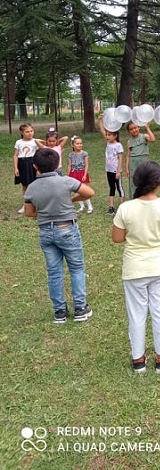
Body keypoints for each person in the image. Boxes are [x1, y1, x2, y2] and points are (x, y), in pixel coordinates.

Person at [112, 161, 160, 374]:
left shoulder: (125, 208)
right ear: (159, 182)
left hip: (134, 268)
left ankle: (138, 360)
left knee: (136, 314)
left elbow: (117, 238)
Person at [24, 148, 94, 324]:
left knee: (54, 272)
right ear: (57, 165)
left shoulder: (31, 187)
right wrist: (71, 200)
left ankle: (60, 311)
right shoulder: (65, 181)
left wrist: (45, 211)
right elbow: (89, 192)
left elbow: (29, 212)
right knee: (76, 268)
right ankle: (80, 308)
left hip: (46, 232)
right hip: (67, 229)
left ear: (35, 166)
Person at [98, 114, 125, 215]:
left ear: (115, 136)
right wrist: (100, 120)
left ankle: (122, 208)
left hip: (116, 171)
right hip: (108, 170)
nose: (107, 136)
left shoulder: (118, 145)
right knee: (111, 188)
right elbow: (102, 130)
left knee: (119, 188)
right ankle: (111, 207)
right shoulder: (108, 143)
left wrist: (118, 172)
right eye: (107, 135)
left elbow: (120, 159)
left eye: (109, 135)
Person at [125, 121, 156, 198]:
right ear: (129, 131)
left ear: (138, 127)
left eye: (135, 128)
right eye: (131, 129)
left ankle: (145, 198)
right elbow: (128, 155)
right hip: (133, 163)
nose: (134, 130)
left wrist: (147, 128)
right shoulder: (129, 141)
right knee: (134, 181)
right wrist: (127, 168)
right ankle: (134, 199)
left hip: (143, 161)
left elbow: (153, 139)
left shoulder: (144, 136)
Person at [13, 123, 38, 214]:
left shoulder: (36, 141)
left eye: (31, 131)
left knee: (35, 185)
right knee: (25, 186)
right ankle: (25, 205)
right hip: (23, 164)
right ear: (22, 132)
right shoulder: (18, 142)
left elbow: (39, 154)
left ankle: (36, 204)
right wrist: (16, 168)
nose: (30, 133)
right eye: (27, 132)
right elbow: (16, 155)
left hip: (33, 164)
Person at [67, 135, 93, 214]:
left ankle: (90, 206)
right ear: (72, 145)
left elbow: (86, 165)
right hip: (74, 173)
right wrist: (68, 176)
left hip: (82, 172)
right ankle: (82, 206)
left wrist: (85, 175)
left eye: (81, 143)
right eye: (77, 143)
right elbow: (69, 165)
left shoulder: (84, 154)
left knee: (84, 190)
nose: (80, 145)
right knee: (76, 191)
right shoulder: (70, 155)